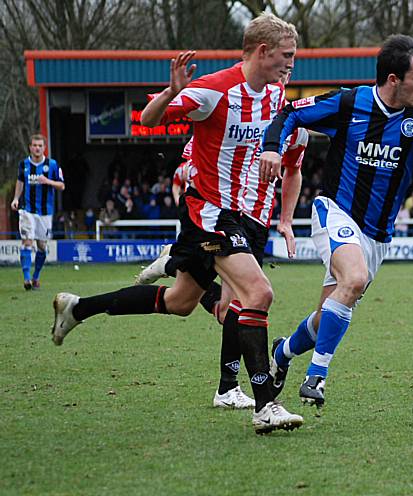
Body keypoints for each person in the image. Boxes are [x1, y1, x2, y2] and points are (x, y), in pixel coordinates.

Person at [51, 13, 303, 434]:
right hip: (211, 213)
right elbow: (148, 120)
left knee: (181, 302)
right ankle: (266, 404)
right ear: (262, 52)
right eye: (286, 55)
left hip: (248, 218)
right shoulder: (213, 90)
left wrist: (286, 220)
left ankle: (79, 307)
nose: (291, 63)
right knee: (258, 292)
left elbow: (292, 153)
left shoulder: (276, 97)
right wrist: (171, 91)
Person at [260, 34, 413, 408]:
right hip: (335, 211)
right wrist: (272, 146)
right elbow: (291, 112)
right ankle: (316, 377)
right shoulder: (349, 102)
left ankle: (283, 352)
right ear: (394, 80)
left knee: (325, 317)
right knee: (354, 278)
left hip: (377, 235)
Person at [135, 70, 308, 411]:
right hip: (220, 218)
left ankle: (172, 261)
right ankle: (235, 390)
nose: (283, 74)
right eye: (280, 65)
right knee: (244, 301)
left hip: (257, 220)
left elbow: (293, 171)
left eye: (289, 67)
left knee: (223, 308)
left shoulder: (294, 124)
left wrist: (286, 220)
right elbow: (188, 160)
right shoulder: (233, 111)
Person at [10, 134, 65, 290]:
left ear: (44, 147)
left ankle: (36, 277)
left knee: (42, 246)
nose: (37, 148)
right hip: (27, 210)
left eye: (40, 145)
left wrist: (47, 181)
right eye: (34, 145)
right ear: (30, 147)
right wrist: (15, 198)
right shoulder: (24, 165)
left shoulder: (52, 165)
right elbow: (20, 182)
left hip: (45, 213)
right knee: (27, 241)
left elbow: (62, 186)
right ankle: (26, 278)